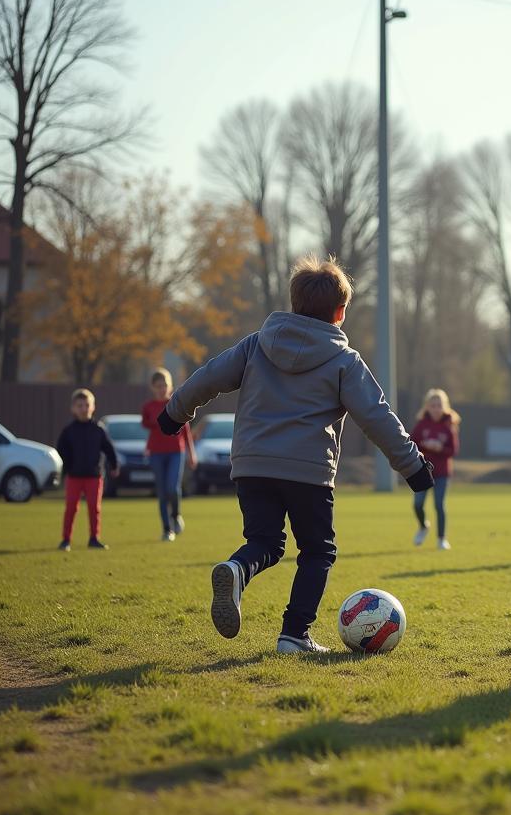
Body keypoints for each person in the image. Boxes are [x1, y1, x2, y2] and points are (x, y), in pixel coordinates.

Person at [155, 255, 433, 654]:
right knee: (318, 551)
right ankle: (293, 635)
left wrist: (172, 414)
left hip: (251, 465)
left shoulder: (256, 344)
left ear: (293, 303)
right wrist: (414, 467)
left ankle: (237, 569)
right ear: (340, 313)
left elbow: (209, 377)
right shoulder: (343, 360)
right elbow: (376, 416)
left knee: (265, 541)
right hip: (308, 471)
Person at [56, 388, 119, 551]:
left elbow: (109, 448)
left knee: (94, 508)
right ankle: (66, 540)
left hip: (94, 476)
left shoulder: (98, 429)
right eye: (80, 406)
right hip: (74, 476)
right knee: (71, 508)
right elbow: (61, 449)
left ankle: (94, 538)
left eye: (86, 405)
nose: (84, 409)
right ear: (73, 409)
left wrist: (114, 465)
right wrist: (68, 465)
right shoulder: (68, 431)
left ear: (93, 407)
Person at [141, 367, 197, 541]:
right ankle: (167, 530)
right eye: (158, 386)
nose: (162, 389)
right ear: (153, 387)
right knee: (162, 491)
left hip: (176, 452)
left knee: (172, 487)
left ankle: (176, 515)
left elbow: (186, 430)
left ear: (170, 386)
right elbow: (146, 424)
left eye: (164, 385)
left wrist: (191, 453)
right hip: (156, 453)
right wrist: (157, 421)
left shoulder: (176, 403)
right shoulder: (148, 406)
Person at [411, 389, 460, 550]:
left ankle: (441, 539)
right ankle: (424, 527)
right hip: (423, 471)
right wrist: (425, 445)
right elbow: (412, 445)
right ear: (427, 407)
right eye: (433, 405)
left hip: (442, 473)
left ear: (444, 407)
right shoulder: (421, 425)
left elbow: (452, 450)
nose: (436, 409)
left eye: (439, 405)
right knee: (418, 504)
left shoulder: (448, 426)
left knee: (439, 505)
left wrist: (439, 448)